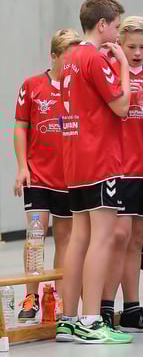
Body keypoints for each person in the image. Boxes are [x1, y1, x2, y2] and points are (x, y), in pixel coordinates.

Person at [56, 0, 133, 344]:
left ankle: (68, 319)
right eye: (116, 27)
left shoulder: (70, 58)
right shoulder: (94, 58)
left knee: (79, 239)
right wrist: (123, 66)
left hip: (74, 159)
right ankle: (90, 320)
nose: (118, 35)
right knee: (101, 238)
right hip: (100, 159)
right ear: (101, 25)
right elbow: (122, 106)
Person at [99, 15, 143, 333]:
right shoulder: (111, 70)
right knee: (119, 237)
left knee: (138, 240)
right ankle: (104, 308)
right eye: (131, 47)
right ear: (120, 44)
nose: (138, 53)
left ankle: (132, 309)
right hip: (119, 166)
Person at [13, 28, 80, 322]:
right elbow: (20, 127)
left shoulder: (79, 88)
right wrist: (22, 167)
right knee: (36, 235)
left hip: (68, 178)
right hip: (38, 176)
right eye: (67, 57)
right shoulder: (32, 85)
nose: (71, 63)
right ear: (54, 55)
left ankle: (60, 300)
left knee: (65, 239)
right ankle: (31, 296)